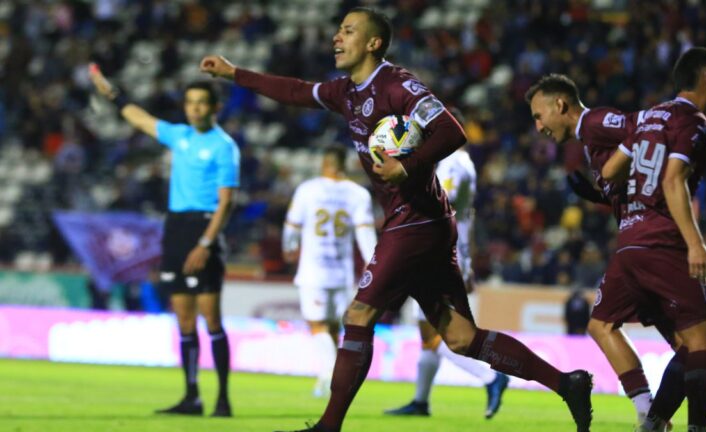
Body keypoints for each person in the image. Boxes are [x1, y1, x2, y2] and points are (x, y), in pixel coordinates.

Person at [201, 7, 592, 432]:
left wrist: (408, 167)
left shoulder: (398, 85)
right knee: (461, 338)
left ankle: (328, 427)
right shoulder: (346, 92)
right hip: (423, 222)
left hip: (415, 222)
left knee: (359, 315)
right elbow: (295, 90)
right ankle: (567, 382)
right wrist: (234, 73)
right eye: (338, 30)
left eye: (348, 31)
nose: (336, 37)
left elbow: (452, 132)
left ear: (373, 43)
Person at [526, 72, 706, 432]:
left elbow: (647, 126)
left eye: (539, 116)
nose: (538, 125)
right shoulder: (589, 137)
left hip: (654, 239)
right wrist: (605, 192)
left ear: (560, 105)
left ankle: (656, 415)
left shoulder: (596, 122)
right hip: (642, 239)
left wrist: (612, 171)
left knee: (672, 338)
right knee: (679, 340)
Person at [89, 65, 239, 417]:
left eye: (201, 103)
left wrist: (206, 243)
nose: (194, 109)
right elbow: (140, 119)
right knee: (184, 319)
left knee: (211, 318)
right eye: (190, 103)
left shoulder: (224, 147)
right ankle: (192, 397)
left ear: (215, 108)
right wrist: (114, 94)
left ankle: (222, 399)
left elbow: (227, 201)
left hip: (204, 228)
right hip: (176, 228)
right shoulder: (180, 136)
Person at [601, 47, 706, 432]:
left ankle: (654, 422)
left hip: (628, 245)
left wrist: (636, 202)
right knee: (703, 343)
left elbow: (609, 172)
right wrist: (694, 243)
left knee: (689, 343)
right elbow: (673, 179)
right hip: (663, 241)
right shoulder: (695, 122)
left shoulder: (644, 118)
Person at [384, 120, 510, 419]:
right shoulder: (464, 163)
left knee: (433, 334)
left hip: (437, 252)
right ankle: (420, 401)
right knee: (430, 335)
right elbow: (466, 215)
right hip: (451, 250)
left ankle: (491, 377)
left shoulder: (453, 162)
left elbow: (444, 200)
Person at [282, 145, 377, 398]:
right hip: (342, 272)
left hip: (313, 270)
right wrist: (374, 262)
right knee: (333, 328)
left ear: (324, 164)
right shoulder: (358, 194)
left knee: (317, 325)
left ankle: (330, 375)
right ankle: (334, 379)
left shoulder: (308, 190)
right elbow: (365, 232)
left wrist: (289, 246)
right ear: (344, 165)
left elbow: (292, 225)